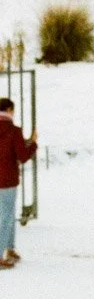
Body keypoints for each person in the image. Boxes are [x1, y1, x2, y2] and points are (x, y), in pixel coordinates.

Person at [0, 98, 36, 269]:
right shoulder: (13, 131)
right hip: (7, 180)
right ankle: (2, 253)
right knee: (6, 218)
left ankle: (10, 248)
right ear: (9, 110)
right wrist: (33, 143)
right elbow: (22, 156)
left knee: (8, 214)